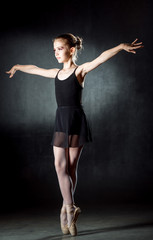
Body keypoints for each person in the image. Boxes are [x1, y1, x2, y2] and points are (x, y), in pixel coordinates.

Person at [6, 33, 143, 236]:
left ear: (71, 50)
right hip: (61, 121)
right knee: (59, 165)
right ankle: (70, 208)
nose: (56, 53)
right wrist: (17, 66)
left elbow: (101, 57)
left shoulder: (80, 71)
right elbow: (35, 69)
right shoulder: (55, 73)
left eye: (60, 48)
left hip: (76, 120)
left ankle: (65, 209)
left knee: (70, 168)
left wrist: (119, 46)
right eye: (54, 49)